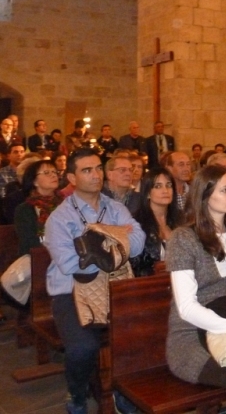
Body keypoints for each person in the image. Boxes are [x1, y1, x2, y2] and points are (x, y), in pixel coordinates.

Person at [44, 148, 145, 414]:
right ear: (72, 178)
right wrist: (115, 241)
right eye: (87, 170)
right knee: (82, 347)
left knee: (140, 336)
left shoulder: (116, 207)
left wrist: (93, 249)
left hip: (114, 288)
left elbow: (137, 243)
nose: (96, 174)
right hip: (71, 292)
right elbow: (70, 264)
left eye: (99, 168)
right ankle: (77, 394)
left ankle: (124, 392)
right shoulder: (60, 218)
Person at [165, 165, 226, 391]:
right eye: (225, 190)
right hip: (192, 336)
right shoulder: (184, 238)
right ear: (204, 195)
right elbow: (186, 308)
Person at [130, 167, 182, 277]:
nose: (165, 190)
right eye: (158, 186)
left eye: (169, 185)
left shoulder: (182, 220)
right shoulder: (137, 223)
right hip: (149, 285)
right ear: (147, 193)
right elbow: (135, 265)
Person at [14, 159, 63, 256]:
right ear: (35, 181)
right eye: (46, 173)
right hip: (36, 258)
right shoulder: (24, 210)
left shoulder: (66, 204)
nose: (53, 175)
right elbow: (29, 243)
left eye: (54, 172)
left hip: (67, 255)